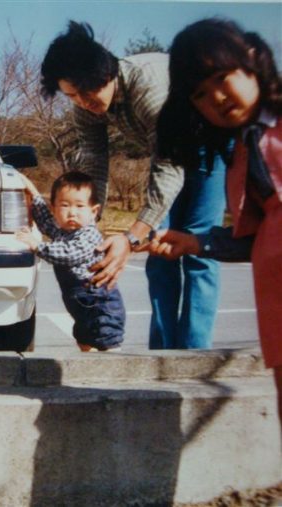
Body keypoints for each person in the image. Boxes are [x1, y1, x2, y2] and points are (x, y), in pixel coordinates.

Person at [39, 20, 226, 350]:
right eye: (72, 96)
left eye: (87, 91)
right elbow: (94, 161)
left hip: (208, 148)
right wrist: (87, 225)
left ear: (106, 73)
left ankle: (195, 355)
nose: (82, 102)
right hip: (167, 155)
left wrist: (131, 236)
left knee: (196, 249)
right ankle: (163, 353)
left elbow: (171, 165)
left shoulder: (149, 88)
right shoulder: (85, 107)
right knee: (159, 255)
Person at [149, 18, 282, 418]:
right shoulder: (241, 153)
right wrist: (198, 243)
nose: (218, 98)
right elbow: (255, 237)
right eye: (201, 94)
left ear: (254, 60)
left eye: (223, 77)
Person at [16, 171, 125, 352]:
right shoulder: (63, 232)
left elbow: (68, 254)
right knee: (83, 339)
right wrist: (33, 193)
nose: (72, 212)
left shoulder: (89, 235)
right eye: (64, 205)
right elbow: (45, 221)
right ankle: (88, 364)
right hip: (79, 305)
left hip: (99, 304)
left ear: (94, 211)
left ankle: (113, 371)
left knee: (107, 341)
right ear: (54, 209)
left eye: (80, 206)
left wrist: (37, 246)